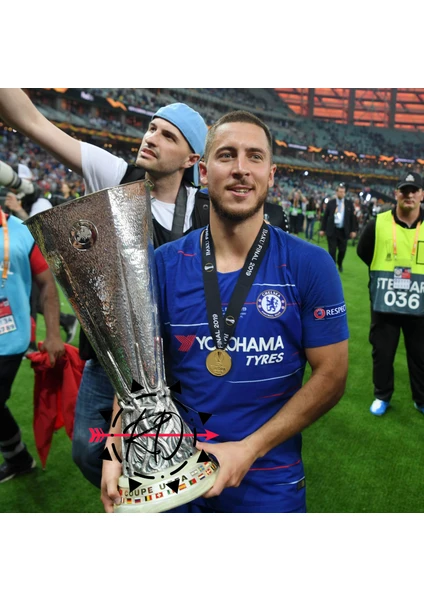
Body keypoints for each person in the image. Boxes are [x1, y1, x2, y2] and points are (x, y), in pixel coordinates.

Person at [0, 88, 291, 490]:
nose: (151, 138)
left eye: (168, 135)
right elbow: (32, 121)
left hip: (177, 353)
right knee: (88, 448)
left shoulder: (208, 205)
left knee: (180, 445)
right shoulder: (116, 176)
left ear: (192, 160)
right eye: (152, 128)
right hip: (112, 354)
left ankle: (167, 498)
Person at [101, 110, 349, 513]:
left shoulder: (310, 264)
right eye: (226, 155)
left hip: (269, 478)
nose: (240, 168)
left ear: (271, 175)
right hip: (173, 472)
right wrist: (115, 448)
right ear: (202, 171)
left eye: (255, 156)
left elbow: (332, 376)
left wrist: (249, 449)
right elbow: (137, 374)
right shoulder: (163, 264)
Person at [0, 205, 65, 482]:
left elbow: (47, 283)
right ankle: (18, 459)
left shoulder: (21, 232)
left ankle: (18, 459)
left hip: (10, 337)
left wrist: (53, 334)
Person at [357, 172, 424, 417]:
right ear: (396, 194)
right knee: (383, 353)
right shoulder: (378, 222)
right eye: (404, 190)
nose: (409, 195)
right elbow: (364, 251)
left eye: (414, 190)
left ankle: (421, 399)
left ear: (422, 194)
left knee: (421, 355)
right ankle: (382, 395)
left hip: (420, 302)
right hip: (385, 301)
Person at [1, 162, 79, 348]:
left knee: (33, 297)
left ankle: (30, 342)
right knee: (27, 299)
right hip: (21, 260)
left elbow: (36, 235)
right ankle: (65, 321)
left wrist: (17, 210)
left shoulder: (40, 202)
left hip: (40, 259)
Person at [319, 182, 358, 272]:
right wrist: (322, 229)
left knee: (342, 250)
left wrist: (353, 230)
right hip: (332, 230)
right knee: (332, 250)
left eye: (343, 192)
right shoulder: (331, 203)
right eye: (340, 192)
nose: (341, 193)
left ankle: (340, 263)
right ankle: (333, 267)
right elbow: (325, 217)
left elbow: (352, 218)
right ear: (336, 192)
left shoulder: (349, 204)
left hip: (343, 231)